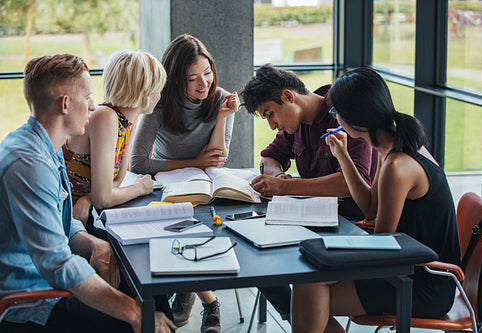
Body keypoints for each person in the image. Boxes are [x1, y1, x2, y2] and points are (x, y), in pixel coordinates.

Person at [0, 54, 175, 333]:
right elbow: (58, 265)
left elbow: (58, 223)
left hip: (47, 282)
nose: (94, 106)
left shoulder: (44, 147)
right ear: (65, 104)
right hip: (30, 300)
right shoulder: (29, 165)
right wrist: (133, 311)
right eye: (87, 96)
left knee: (152, 293)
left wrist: (92, 243)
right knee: (144, 314)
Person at [292, 67, 460, 333]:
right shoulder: (393, 146)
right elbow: (370, 206)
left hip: (423, 283)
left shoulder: (397, 165)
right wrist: (343, 156)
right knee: (309, 285)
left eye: (336, 113)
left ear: (354, 116)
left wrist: (332, 257)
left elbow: (382, 242)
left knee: (309, 291)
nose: (334, 119)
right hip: (410, 267)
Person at [240, 64, 377, 321]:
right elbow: (270, 157)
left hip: (352, 228)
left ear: (289, 97)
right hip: (314, 223)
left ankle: (302, 316)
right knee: (255, 258)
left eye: (271, 114)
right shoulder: (296, 124)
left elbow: (352, 182)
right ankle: (302, 317)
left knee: (286, 273)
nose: (272, 125)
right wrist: (277, 175)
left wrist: (286, 187)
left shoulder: (344, 113)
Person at [130, 34, 241, 333]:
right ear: (176, 80)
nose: (204, 83)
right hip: (171, 187)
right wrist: (195, 162)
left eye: (207, 73)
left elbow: (218, 157)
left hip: (207, 185)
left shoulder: (220, 98)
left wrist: (221, 117)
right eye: (193, 79)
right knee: (177, 226)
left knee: (206, 224)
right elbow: (138, 162)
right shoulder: (161, 105)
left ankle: (192, 292)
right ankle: (209, 301)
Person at [63, 50, 166, 235]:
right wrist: (140, 187)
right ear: (147, 93)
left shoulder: (129, 120)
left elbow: (117, 180)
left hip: (83, 214)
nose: (160, 95)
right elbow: (104, 198)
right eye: (158, 88)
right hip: (65, 219)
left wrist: (88, 198)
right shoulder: (106, 117)